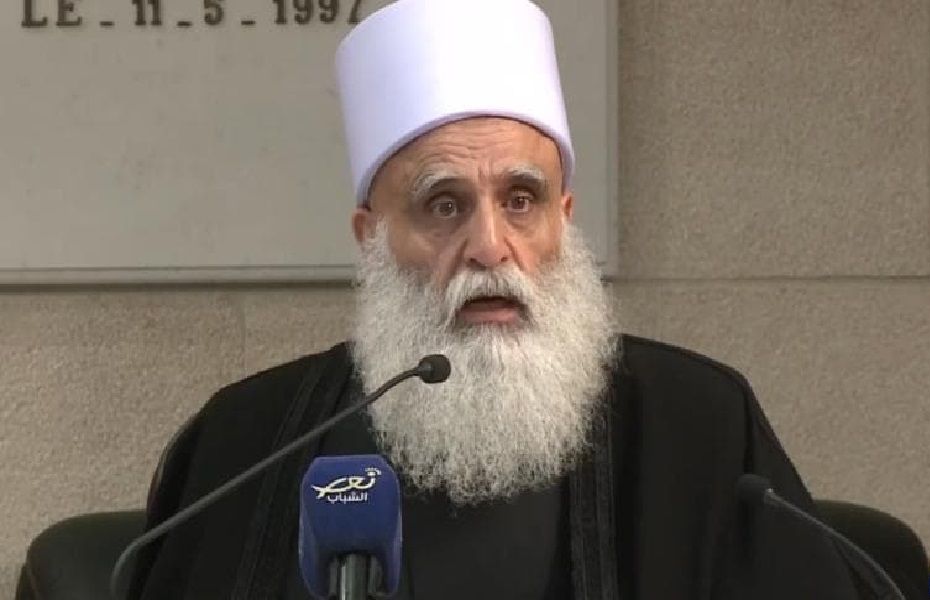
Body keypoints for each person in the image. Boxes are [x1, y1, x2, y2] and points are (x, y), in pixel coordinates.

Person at [130, 0, 866, 598]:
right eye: (443, 205)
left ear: (563, 220)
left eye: (520, 200)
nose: (489, 245)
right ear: (371, 237)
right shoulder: (248, 442)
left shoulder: (697, 424)